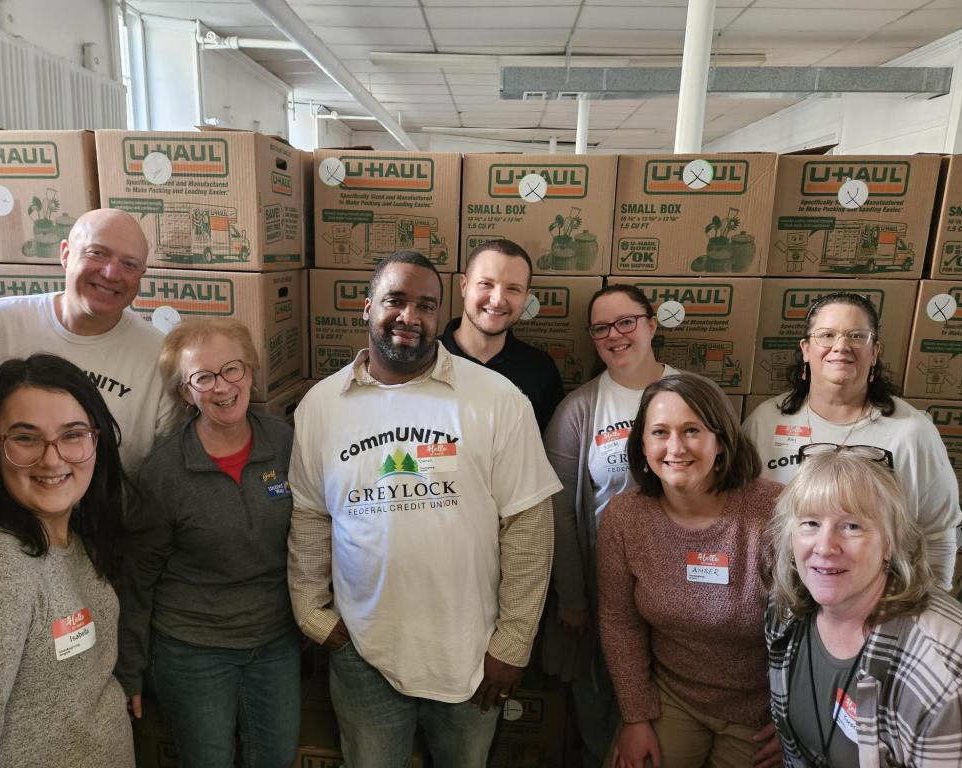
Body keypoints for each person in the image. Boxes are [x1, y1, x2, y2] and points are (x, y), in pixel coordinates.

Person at [288, 251, 561, 768]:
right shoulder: (322, 405)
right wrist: (310, 612)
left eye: (426, 305)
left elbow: (528, 523)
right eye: (395, 300)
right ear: (367, 307)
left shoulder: (498, 399)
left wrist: (514, 642)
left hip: (471, 654)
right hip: (362, 650)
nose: (409, 317)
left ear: (442, 314)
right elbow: (309, 514)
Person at [116, 318, 300, 768]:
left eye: (232, 369)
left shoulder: (285, 442)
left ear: (251, 373)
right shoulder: (165, 470)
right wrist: (129, 671)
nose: (222, 387)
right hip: (192, 648)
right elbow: (138, 577)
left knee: (275, 758)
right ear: (186, 393)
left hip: (276, 641)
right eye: (203, 377)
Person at [0, 354, 133, 767]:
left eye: (72, 434)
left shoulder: (71, 536)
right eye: (26, 438)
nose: (52, 458)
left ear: (96, 443)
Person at [598, 373, 783, 768]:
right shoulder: (625, 517)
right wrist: (635, 716)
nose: (676, 447)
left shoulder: (775, 510)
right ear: (643, 445)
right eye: (660, 432)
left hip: (761, 711)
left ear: (720, 442)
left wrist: (797, 720)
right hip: (671, 697)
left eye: (692, 430)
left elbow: (815, 627)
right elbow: (619, 622)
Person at [542, 283, 680, 767]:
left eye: (627, 322)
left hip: (681, 594)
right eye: (601, 327)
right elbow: (558, 510)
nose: (615, 335)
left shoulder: (696, 396)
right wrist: (574, 597)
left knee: (670, 727)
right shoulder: (579, 410)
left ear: (651, 324)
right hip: (605, 597)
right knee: (602, 722)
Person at [743, 291, 960, 588]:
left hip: (879, 603)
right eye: (827, 335)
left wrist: (932, 605)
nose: (841, 346)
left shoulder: (911, 431)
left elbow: (937, 532)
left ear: (875, 352)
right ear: (806, 349)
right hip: (779, 599)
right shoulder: (766, 421)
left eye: (857, 336)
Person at [766, 448, 962, 766]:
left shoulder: (942, 668)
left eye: (852, 526)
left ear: (890, 544)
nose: (825, 547)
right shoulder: (785, 609)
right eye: (811, 523)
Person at [0, 208, 179, 479]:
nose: (111, 273)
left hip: (112, 520)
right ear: (66, 254)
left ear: (141, 275)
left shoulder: (159, 355)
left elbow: (167, 467)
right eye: (97, 253)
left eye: (129, 264)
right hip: (3, 518)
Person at [440, 238, 563, 431]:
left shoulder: (541, 370)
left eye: (513, 289)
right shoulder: (425, 360)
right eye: (486, 284)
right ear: (464, 285)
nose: (497, 300)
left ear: (526, 297)